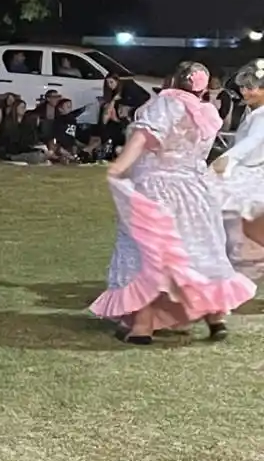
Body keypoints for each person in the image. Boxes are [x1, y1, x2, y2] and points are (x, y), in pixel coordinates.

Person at [92, 61, 254, 344]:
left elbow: (144, 137)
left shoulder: (166, 104)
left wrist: (119, 166)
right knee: (199, 252)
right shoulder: (207, 112)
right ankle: (215, 318)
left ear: (174, 81)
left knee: (147, 254)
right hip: (195, 191)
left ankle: (142, 326)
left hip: (157, 188)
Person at [214, 59, 264, 279]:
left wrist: (227, 159)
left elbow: (252, 142)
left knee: (237, 223)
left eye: (251, 88)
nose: (244, 92)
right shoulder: (252, 111)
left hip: (252, 176)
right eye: (243, 87)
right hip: (242, 172)